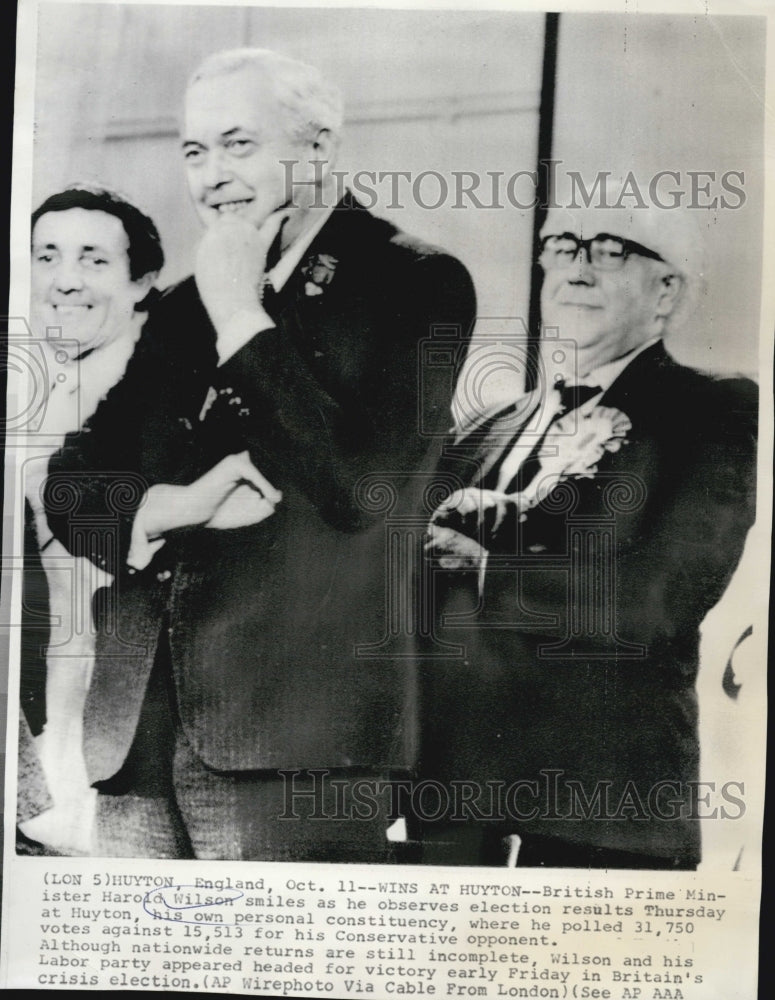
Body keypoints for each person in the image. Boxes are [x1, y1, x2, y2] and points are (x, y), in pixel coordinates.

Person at [44, 48, 476, 861]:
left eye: (237, 145)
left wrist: (242, 313)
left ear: (316, 148)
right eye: (194, 151)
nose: (210, 176)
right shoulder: (183, 302)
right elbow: (68, 481)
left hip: (296, 742)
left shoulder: (417, 280)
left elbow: (360, 489)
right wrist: (174, 503)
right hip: (135, 738)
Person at [421, 201, 757, 869]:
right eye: (561, 247)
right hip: (456, 819)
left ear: (668, 291)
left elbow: (653, 603)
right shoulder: (479, 430)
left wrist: (482, 570)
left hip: (600, 821)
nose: (576, 268)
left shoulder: (711, 410)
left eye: (608, 249)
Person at [18, 185, 163, 854]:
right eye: (46, 256)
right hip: (41, 729)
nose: (64, 280)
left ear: (143, 283)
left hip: (125, 742)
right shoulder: (38, 391)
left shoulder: (164, 404)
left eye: (93, 260)